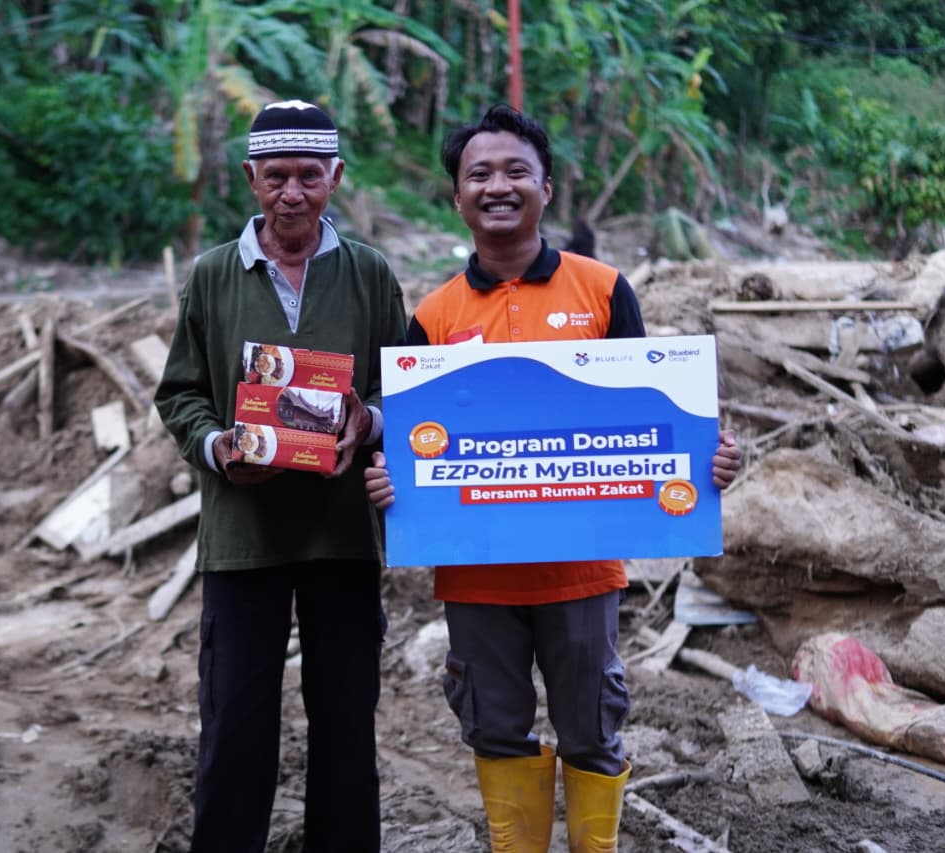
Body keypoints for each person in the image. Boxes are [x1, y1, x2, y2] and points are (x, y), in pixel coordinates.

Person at [363, 104, 743, 853]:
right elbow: (414, 451)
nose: (497, 185)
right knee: (496, 730)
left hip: (582, 573)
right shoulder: (432, 318)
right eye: (479, 174)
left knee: (592, 733)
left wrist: (709, 464)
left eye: (515, 171)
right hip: (476, 581)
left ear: (546, 185)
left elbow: (651, 427)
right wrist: (390, 483)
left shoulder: (603, 291)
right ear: (457, 196)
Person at [154, 99, 407, 853]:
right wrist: (218, 446)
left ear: (335, 176)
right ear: (250, 179)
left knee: (345, 723)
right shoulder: (212, 276)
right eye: (275, 177)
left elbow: (406, 388)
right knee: (234, 722)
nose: (291, 192)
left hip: (342, 536)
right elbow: (180, 392)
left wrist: (369, 425)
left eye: (307, 175)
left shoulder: (368, 273)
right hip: (243, 535)